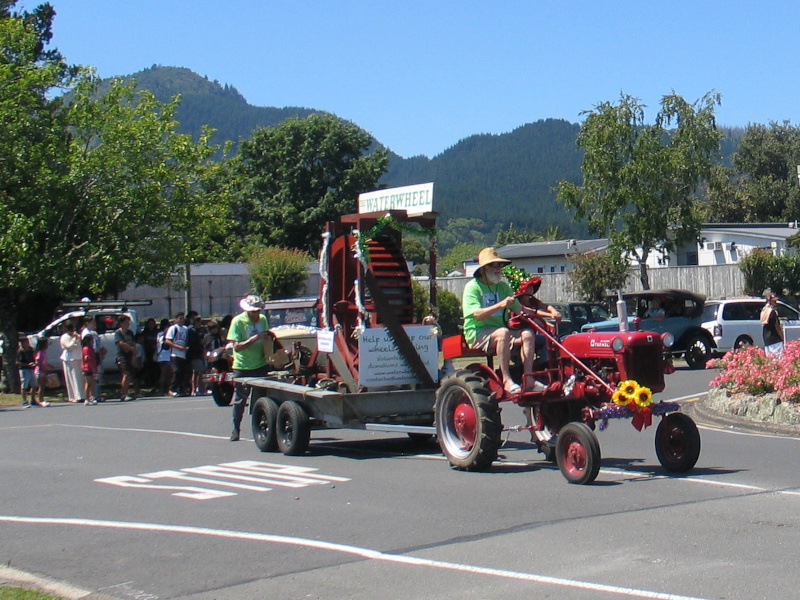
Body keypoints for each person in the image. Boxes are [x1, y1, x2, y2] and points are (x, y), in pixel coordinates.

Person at [462, 248, 546, 394]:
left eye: (500, 266)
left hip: (501, 331)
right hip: (477, 332)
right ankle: (506, 380)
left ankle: (529, 379)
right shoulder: (472, 288)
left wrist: (542, 320)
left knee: (528, 334)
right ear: (483, 269)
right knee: (503, 332)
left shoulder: (503, 287)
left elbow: (520, 311)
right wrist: (500, 305)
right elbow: (477, 315)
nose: (498, 269)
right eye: (494, 265)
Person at [227, 294, 273, 441]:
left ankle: (261, 429)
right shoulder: (238, 321)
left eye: (258, 311)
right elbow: (237, 347)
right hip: (243, 366)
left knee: (262, 399)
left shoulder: (263, 320)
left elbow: (267, 339)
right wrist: (255, 339)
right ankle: (236, 429)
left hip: (260, 364)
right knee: (240, 399)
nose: (256, 314)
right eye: (253, 312)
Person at [515, 276, 562, 368]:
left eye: (532, 287)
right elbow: (533, 312)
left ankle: (555, 362)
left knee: (555, 339)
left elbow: (544, 306)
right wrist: (549, 316)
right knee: (547, 340)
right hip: (518, 333)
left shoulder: (532, 300)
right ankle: (544, 364)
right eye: (529, 287)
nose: (531, 289)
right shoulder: (517, 303)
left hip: (531, 332)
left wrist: (554, 311)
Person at [80, 316, 105, 402]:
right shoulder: (86, 333)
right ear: (87, 324)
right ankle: (90, 396)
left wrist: (102, 349)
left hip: (96, 354)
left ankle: (95, 395)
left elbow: (98, 343)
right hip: (92, 356)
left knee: (97, 377)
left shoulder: (93, 332)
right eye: (92, 323)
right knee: (91, 380)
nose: (94, 324)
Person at [59, 321, 85, 403]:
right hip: (69, 359)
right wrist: (74, 339)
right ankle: (75, 396)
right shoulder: (64, 337)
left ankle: (82, 395)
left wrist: (78, 338)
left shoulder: (77, 336)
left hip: (78, 357)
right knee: (73, 377)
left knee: (80, 377)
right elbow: (69, 347)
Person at [165, 312, 189, 396]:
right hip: (175, 354)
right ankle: (172, 389)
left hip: (183, 354)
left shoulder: (185, 329)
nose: (182, 320)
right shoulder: (173, 328)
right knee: (177, 371)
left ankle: (181, 389)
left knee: (183, 372)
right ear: (176, 319)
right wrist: (178, 347)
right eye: (180, 318)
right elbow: (168, 341)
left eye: (183, 318)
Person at [114, 314, 136, 401]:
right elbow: (120, 343)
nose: (128, 324)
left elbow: (133, 342)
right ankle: (124, 394)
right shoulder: (118, 333)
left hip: (129, 355)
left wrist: (133, 352)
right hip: (122, 355)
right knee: (125, 374)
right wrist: (130, 348)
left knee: (129, 374)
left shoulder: (130, 332)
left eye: (128, 322)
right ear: (121, 323)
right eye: (126, 322)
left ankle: (127, 392)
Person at [156, 318, 173, 395]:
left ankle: (162, 390)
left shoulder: (159, 334)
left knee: (163, 374)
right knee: (169, 374)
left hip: (161, 355)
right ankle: (167, 389)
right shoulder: (167, 334)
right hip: (167, 354)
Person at [16, 336, 35, 408]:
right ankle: (24, 401)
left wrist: (34, 362)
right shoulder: (21, 351)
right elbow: (18, 362)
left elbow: (33, 358)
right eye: (26, 342)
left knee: (34, 384)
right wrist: (27, 364)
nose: (27, 343)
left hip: (31, 369)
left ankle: (33, 400)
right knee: (24, 386)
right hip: (24, 369)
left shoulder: (30, 350)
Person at [32, 337, 50, 407]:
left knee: (43, 385)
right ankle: (40, 400)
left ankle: (41, 399)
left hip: (43, 370)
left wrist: (49, 365)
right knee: (41, 386)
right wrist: (44, 369)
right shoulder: (40, 353)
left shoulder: (44, 352)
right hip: (39, 371)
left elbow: (44, 362)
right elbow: (39, 362)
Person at [81, 333, 98, 405]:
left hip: (92, 368)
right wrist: (92, 368)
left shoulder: (91, 348)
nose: (93, 342)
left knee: (93, 383)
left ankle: (92, 396)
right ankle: (86, 399)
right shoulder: (86, 349)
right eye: (92, 340)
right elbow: (88, 359)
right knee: (88, 383)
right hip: (87, 368)